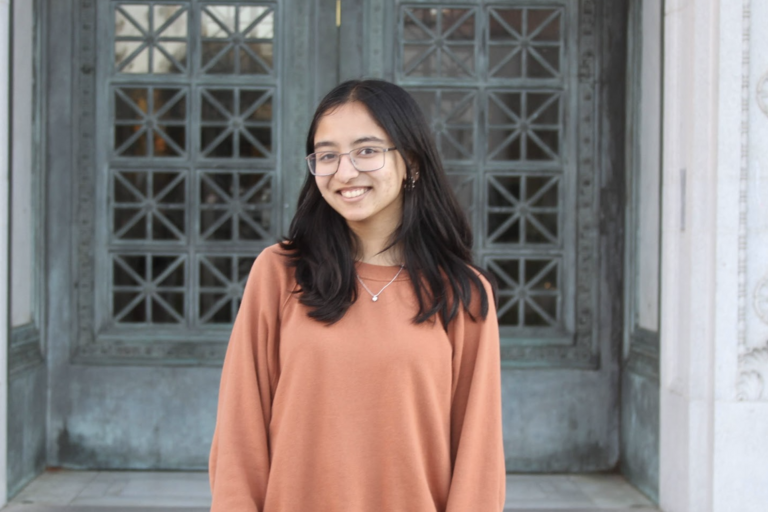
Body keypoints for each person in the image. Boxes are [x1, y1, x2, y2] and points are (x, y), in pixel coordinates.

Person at [209, 79, 506, 511]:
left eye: (367, 150)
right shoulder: (278, 274)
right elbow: (240, 430)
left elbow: (479, 457)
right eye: (327, 155)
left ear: (412, 162)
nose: (344, 172)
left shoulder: (462, 293)